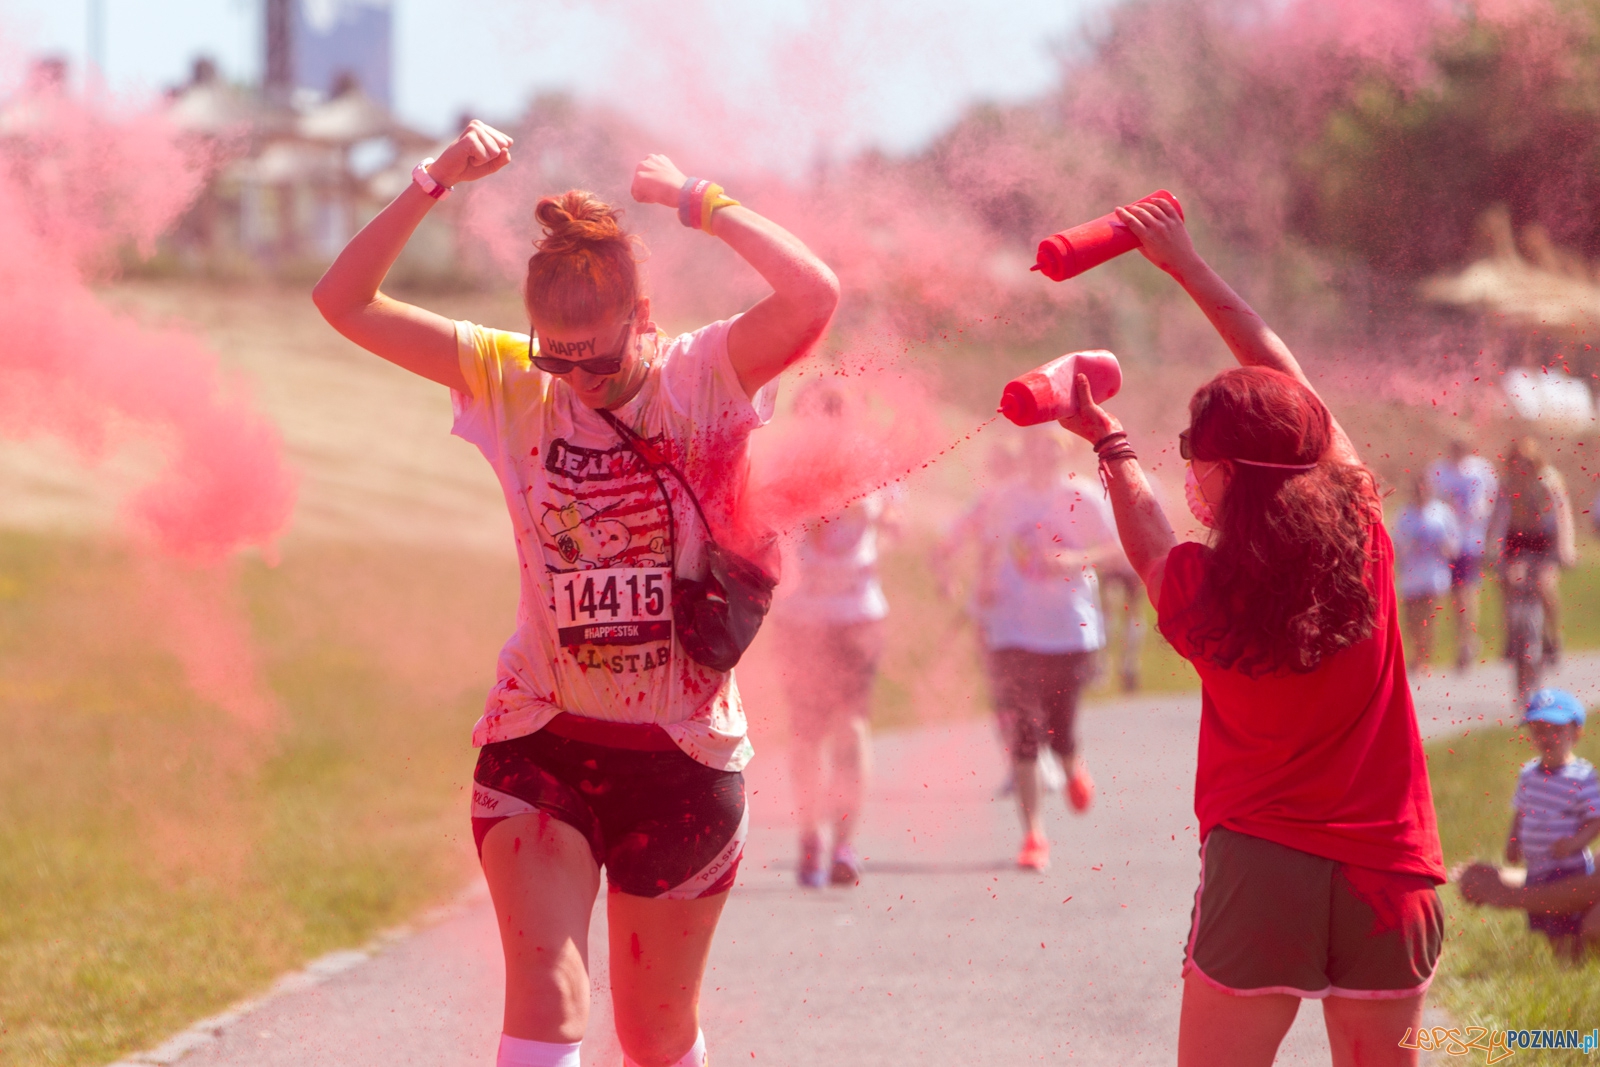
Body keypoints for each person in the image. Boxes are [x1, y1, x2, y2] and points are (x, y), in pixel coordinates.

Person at [311, 122, 839, 1067]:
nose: (574, 379)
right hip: (540, 736)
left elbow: (815, 295)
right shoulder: (513, 380)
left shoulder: (702, 376)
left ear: (644, 317)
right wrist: (434, 180)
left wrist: (697, 200)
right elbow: (343, 301)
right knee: (547, 996)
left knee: (654, 1032)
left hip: (682, 752)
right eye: (555, 356)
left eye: (593, 356)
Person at [1053, 197, 1445, 1067]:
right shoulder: (1368, 529)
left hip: (1262, 868)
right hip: (1392, 867)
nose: (1189, 472)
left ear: (1224, 472)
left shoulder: (1204, 592)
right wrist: (1186, 263)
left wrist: (1110, 442)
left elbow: (1150, 537)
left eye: (1197, 459)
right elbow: (1281, 371)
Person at [937, 431, 1117, 871]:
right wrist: (954, 574)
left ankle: (1073, 766)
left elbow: (1118, 549)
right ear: (1023, 453)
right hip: (1011, 632)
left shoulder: (1085, 496)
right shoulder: (1001, 498)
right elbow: (958, 537)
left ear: (1065, 452)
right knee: (1024, 734)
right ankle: (1034, 835)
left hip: (1068, 632)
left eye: (1051, 447)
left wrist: (1077, 561)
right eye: (1034, 447)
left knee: (1059, 734)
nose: (1042, 455)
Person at [772, 383, 896, 889]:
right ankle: (810, 837)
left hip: (856, 616)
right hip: (800, 617)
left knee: (852, 730)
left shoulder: (873, 463)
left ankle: (845, 843)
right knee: (806, 737)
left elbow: (892, 524)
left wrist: (875, 540)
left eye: (831, 415)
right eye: (812, 415)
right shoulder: (783, 467)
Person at [1501, 688, 1600, 960]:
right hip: (1538, 867)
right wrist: (1513, 841)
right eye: (1538, 730)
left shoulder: (1581, 776)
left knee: (1568, 920)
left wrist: (1574, 843)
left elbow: (1595, 820)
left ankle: (1575, 961)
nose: (1546, 737)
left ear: (1576, 733)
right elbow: (1521, 812)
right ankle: (1563, 962)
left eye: (1555, 729)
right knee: (1548, 925)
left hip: (1569, 868)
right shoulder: (1529, 774)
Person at [1488, 436, 1576, 667]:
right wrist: (1490, 547)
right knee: (1508, 581)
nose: (1522, 466)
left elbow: (1562, 514)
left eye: (1526, 461)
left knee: (1544, 583)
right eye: (1517, 460)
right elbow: (1497, 517)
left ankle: (1553, 636)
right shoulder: (1507, 482)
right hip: (1517, 536)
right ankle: (1511, 635)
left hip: (1543, 538)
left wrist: (1566, 547)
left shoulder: (1548, 479)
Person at [1430, 440, 1497, 670]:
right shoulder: (1439, 470)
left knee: (1466, 589)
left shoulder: (1480, 470)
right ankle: (1462, 639)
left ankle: (1467, 640)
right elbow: (1433, 503)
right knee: (1452, 593)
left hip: (1471, 539)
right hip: (1447, 540)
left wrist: (1488, 530)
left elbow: (1494, 500)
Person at [1393, 474, 1460, 670]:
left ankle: (1423, 658)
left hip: (1434, 573)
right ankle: (1416, 651)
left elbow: (1454, 543)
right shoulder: (1404, 514)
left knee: (1428, 617)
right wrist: (1409, 545)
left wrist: (1443, 544)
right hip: (1412, 574)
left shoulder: (1442, 512)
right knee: (1412, 619)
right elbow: (1396, 543)